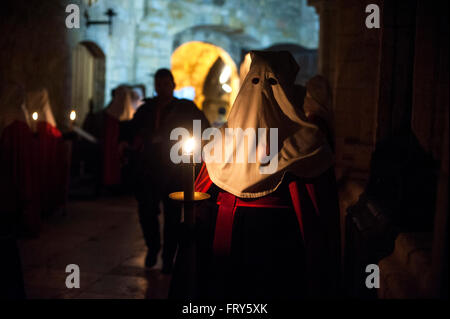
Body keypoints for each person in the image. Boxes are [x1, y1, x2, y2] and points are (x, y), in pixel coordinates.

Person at [183, 51, 341, 299]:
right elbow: (322, 212)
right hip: (259, 236)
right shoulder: (309, 143)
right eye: (256, 81)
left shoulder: (222, 140)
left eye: (272, 83)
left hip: (275, 241)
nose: (263, 90)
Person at [130, 68, 209, 273]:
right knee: (147, 211)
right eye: (158, 84)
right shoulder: (146, 109)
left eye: (166, 84)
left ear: (172, 85)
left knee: (173, 217)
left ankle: (168, 258)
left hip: (174, 169)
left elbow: (204, 127)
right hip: (148, 170)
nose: (162, 88)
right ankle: (152, 247)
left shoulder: (185, 108)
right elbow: (131, 131)